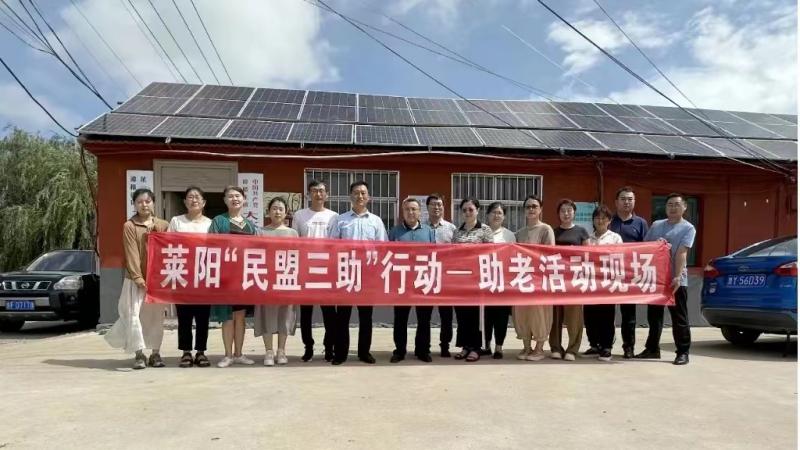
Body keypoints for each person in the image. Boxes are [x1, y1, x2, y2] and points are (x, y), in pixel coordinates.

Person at [104, 188, 169, 369]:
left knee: (156, 318)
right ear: (134, 204)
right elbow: (131, 253)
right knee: (134, 315)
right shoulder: (130, 226)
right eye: (139, 202)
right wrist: (138, 278)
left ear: (153, 203)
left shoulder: (163, 225)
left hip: (157, 281)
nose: (144, 205)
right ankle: (139, 354)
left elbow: (168, 250)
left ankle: (155, 353)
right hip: (135, 280)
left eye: (147, 201)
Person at [327, 180, 388, 365]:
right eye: (356, 193)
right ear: (350, 196)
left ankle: (364, 352)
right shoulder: (341, 220)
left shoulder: (376, 221)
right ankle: (341, 353)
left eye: (363, 193)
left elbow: (382, 247)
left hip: (367, 275)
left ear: (368, 197)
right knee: (342, 316)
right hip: (345, 273)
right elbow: (332, 245)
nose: (360, 196)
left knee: (366, 317)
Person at [636, 193, 696, 365]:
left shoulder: (688, 228)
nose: (673, 208)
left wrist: (677, 276)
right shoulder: (656, 225)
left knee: (679, 317)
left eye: (677, 204)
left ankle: (683, 352)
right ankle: (652, 349)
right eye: (670, 204)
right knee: (654, 317)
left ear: (684, 207)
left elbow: (682, 253)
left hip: (676, 280)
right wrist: (656, 244)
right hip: (656, 279)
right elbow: (645, 247)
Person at [209, 186, 257, 368]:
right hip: (225, 276)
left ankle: (239, 354)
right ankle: (228, 355)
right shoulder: (218, 221)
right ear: (224, 200)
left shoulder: (250, 225)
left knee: (240, 316)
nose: (234, 199)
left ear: (244, 199)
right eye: (230, 196)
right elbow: (211, 245)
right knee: (227, 317)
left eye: (238, 196)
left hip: (244, 276)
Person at [292, 179, 338, 362]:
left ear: (327, 195)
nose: (318, 194)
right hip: (306, 270)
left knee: (329, 313)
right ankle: (308, 347)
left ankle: (329, 347)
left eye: (321, 191)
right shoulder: (300, 215)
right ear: (308, 194)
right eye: (314, 190)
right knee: (306, 313)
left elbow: (337, 243)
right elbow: (294, 242)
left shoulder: (334, 216)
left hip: (327, 270)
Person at [167, 186, 213, 368]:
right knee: (184, 316)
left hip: (203, 275)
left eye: (197, 197)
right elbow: (168, 245)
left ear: (203, 202)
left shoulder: (210, 224)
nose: (194, 200)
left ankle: (201, 352)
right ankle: (186, 352)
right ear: (185, 202)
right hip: (182, 274)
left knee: (203, 316)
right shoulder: (176, 221)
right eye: (190, 197)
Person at [388, 197, 436, 363]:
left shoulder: (428, 232)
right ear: (403, 212)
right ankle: (399, 350)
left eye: (414, 209)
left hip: (423, 281)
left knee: (424, 319)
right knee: (400, 319)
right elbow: (387, 255)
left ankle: (422, 350)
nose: (410, 212)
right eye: (407, 209)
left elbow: (434, 255)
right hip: (401, 282)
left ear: (420, 212)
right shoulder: (395, 232)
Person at [254, 197, 299, 366]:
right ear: (268, 212)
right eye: (274, 208)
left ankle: (281, 350)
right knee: (267, 315)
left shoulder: (293, 233)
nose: (277, 212)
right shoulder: (260, 232)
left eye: (281, 209)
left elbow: (297, 256)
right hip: (265, 279)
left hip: (286, 279)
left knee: (285, 315)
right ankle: (268, 351)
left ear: (286, 212)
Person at [513, 195, 555, 362]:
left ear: (540, 209)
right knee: (522, 313)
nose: (531, 209)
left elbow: (549, 253)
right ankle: (526, 347)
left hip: (540, 279)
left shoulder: (546, 229)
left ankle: (539, 348)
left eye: (534, 206)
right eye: (528, 206)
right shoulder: (519, 233)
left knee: (539, 314)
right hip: (522, 279)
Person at [608, 186, 649, 359]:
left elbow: (647, 248)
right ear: (616, 202)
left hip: (630, 276)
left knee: (629, 315)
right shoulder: (609, 221)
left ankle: (628, 347)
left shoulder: (641, 223)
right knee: (607, 313)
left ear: (634, 202)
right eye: (623, 199)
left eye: (630, 199)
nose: (627, 202)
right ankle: (605, 345)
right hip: (608, 274)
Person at [452, 196, 494, 362]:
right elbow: (452, 254)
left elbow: (491, 253)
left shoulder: (485, 230)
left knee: (476, 316)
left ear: (477, 211)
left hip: (478, 280)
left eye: (471, 209)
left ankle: (476, 348)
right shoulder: (457, 231)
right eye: (464, 210)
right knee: (462, 315)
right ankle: (465, 346)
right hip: (460, 280)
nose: (467, 213)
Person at [550, 198, 590, 361]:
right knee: (555, 315)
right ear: (558, 214)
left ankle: (572, 349)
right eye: (562, 211)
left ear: (574, 213)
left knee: (574, 316)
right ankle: (555, 347)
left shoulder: (582, 232)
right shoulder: (553, 232)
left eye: (569, 210)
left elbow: (588, 255)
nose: (566, 213)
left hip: (575, 279)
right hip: (557, 278)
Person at [584, 205, 623, 362]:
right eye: (597, 218)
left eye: (603, 218)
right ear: (593, 220)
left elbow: (621, 258)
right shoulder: (587, 238)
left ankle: (606, 347)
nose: (600, 221)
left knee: (606, 315)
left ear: (609, 220)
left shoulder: (615, 238)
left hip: (608, 283)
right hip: (590, 282)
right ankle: (594, 345)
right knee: (590, 315)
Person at [482, 201, 515, 359]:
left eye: (500, 213)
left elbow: (513, 258)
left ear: (504, 217)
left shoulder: (509, 235)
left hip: (503, 282)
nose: (496, 215)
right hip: (484, 280)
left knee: (501, 316)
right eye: (493, 212)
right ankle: (486, 345)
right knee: (486, 316)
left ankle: (499, 347)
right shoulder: (481, 232)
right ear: (487, 215)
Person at [426, 193, 457, 357]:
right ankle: (424, 346)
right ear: (427, 207)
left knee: (446, 316)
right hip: (425, 277)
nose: (436, 207)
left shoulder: (451, 229)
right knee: (425, 315)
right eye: (433, 204)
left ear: (443, 207)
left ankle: (445, 345)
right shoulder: (421, 227)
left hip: (446, 278)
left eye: (439, 204)